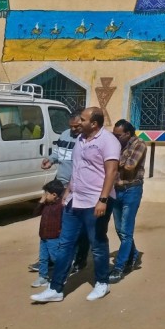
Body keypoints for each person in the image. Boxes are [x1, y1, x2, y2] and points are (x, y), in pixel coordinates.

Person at [31, 107, 119, 304]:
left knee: (97, 244)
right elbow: (77, 168)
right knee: (65, 244)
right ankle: (55, 288)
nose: (78, 122)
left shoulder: (108, 141)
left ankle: (101, 283)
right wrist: (68, 192)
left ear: (94, 124)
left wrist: (103, 199)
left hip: (95, 201)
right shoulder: (80, 140)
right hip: (75, 200)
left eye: (82, 119)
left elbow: (112, 172)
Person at [29, 109, 89, 275]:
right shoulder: (64, 135)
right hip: (60, 185)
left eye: (77, 126)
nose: (74, 130)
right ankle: (51, 259)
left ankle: (78, 260)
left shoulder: (86, 140)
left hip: (77, 188)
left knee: (77, 226)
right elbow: (57, 152)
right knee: (57, 224)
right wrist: (50, 160)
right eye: (71, 126)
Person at [108, 119, 147, 284]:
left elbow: (130, 165)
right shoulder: (117, 145)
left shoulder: (140, 144)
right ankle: (134, 254)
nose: (115, 138)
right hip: (117, 190)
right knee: (119, 229)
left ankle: (119, 266)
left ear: (128, 134)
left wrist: (113, 161)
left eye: (118, 135)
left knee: (126, 231)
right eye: (114, 135)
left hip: (132, 190)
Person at [31, 180, 65, 289]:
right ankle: (43, 277)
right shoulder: (45, 204)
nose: (44, 196)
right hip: (44, 236)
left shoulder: (61, 206)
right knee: (43, 258)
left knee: (55, 258)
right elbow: (35, 213)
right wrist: (41, 202)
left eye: (46, 193)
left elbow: (64, 221)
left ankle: (60, 277)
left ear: (54, 195)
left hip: (54, 238)